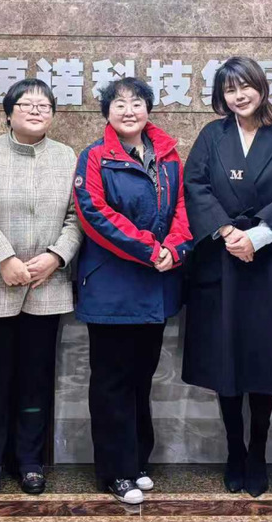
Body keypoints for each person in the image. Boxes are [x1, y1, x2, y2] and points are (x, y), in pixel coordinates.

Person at [182, 56, 272, 498]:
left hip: (268, 263)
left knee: (263, 360)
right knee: (226, 360)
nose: (239, 96)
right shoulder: (211, 135)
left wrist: (255, 237)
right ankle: (234, 449)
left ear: (261, 87)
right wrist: (226, 232)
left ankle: (257, 450)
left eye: (245, 86)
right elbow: (195, 186)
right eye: (229, 89)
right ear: (221, 96)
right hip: (220, 261)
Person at [72, 77, 193, 505]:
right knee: (112, 381)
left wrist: (175, 249)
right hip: (111, 286)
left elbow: (183, 210)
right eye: (119, 103)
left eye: (137, 102)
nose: (129, 110)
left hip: (156, 284)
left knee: (142, 377)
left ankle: (138, 461)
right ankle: (115, 470)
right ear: (106, 112)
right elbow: (95, 214)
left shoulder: (168, 157)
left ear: (148, 109)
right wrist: (149, 249)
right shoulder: (94, 156)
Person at [0, 78, 82, 498]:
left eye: (44, 105)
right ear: (9, 113)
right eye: (26, 104)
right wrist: (4, 259)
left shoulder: (66, 156)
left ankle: (30, 461)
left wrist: (56, 256)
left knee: (36, 377)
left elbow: (77, 216)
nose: (35, 110)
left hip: (46, 284)